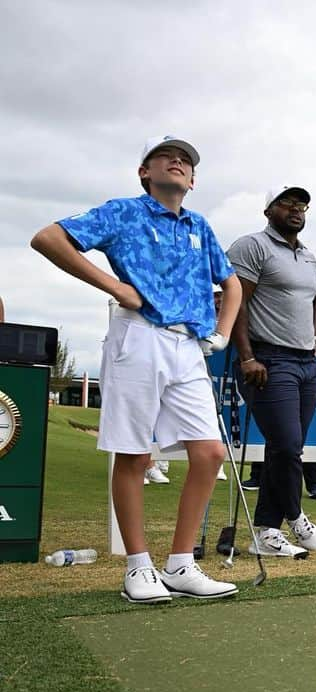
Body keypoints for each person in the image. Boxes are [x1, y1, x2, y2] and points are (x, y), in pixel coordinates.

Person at [31, 135, 240, 603]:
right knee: (134, 454)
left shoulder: (199, 225)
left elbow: (230, 283)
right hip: (138, 335)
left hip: (188, 344)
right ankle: (138, 566)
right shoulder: (123, 211)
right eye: (166, 156)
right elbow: (48, 238)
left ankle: (181, 563)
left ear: (194, 179)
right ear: (145, 172)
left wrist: (222, 334)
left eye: (186, 160)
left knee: (209, 453)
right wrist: (114, 286)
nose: (179, 162)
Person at [227, 185, 316, 559]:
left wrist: (314, 337)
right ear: (269, 210)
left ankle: (266, 532)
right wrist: (247, 356)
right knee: (286, 445)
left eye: (302, 205)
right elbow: (236, 301)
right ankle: (297, 516)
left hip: (306, 362)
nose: (297, 210)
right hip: (268, 360)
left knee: (286, 448)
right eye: (288, 203)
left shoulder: (309, 256)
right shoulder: (252, 246)